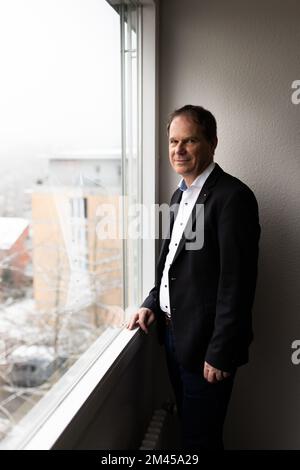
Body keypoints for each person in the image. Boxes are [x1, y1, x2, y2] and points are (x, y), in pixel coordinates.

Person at [127, 104, 260, 450]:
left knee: (200, 440)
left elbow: (238, 283)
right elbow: (173, 265)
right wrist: (151, 303)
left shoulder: (233, 198)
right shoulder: (179, 195)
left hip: (207, 347)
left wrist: (221, 352)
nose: (178, 150)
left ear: (212, 142)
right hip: (173, 337)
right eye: (173, 141)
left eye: (189, 141)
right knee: (189, 430)